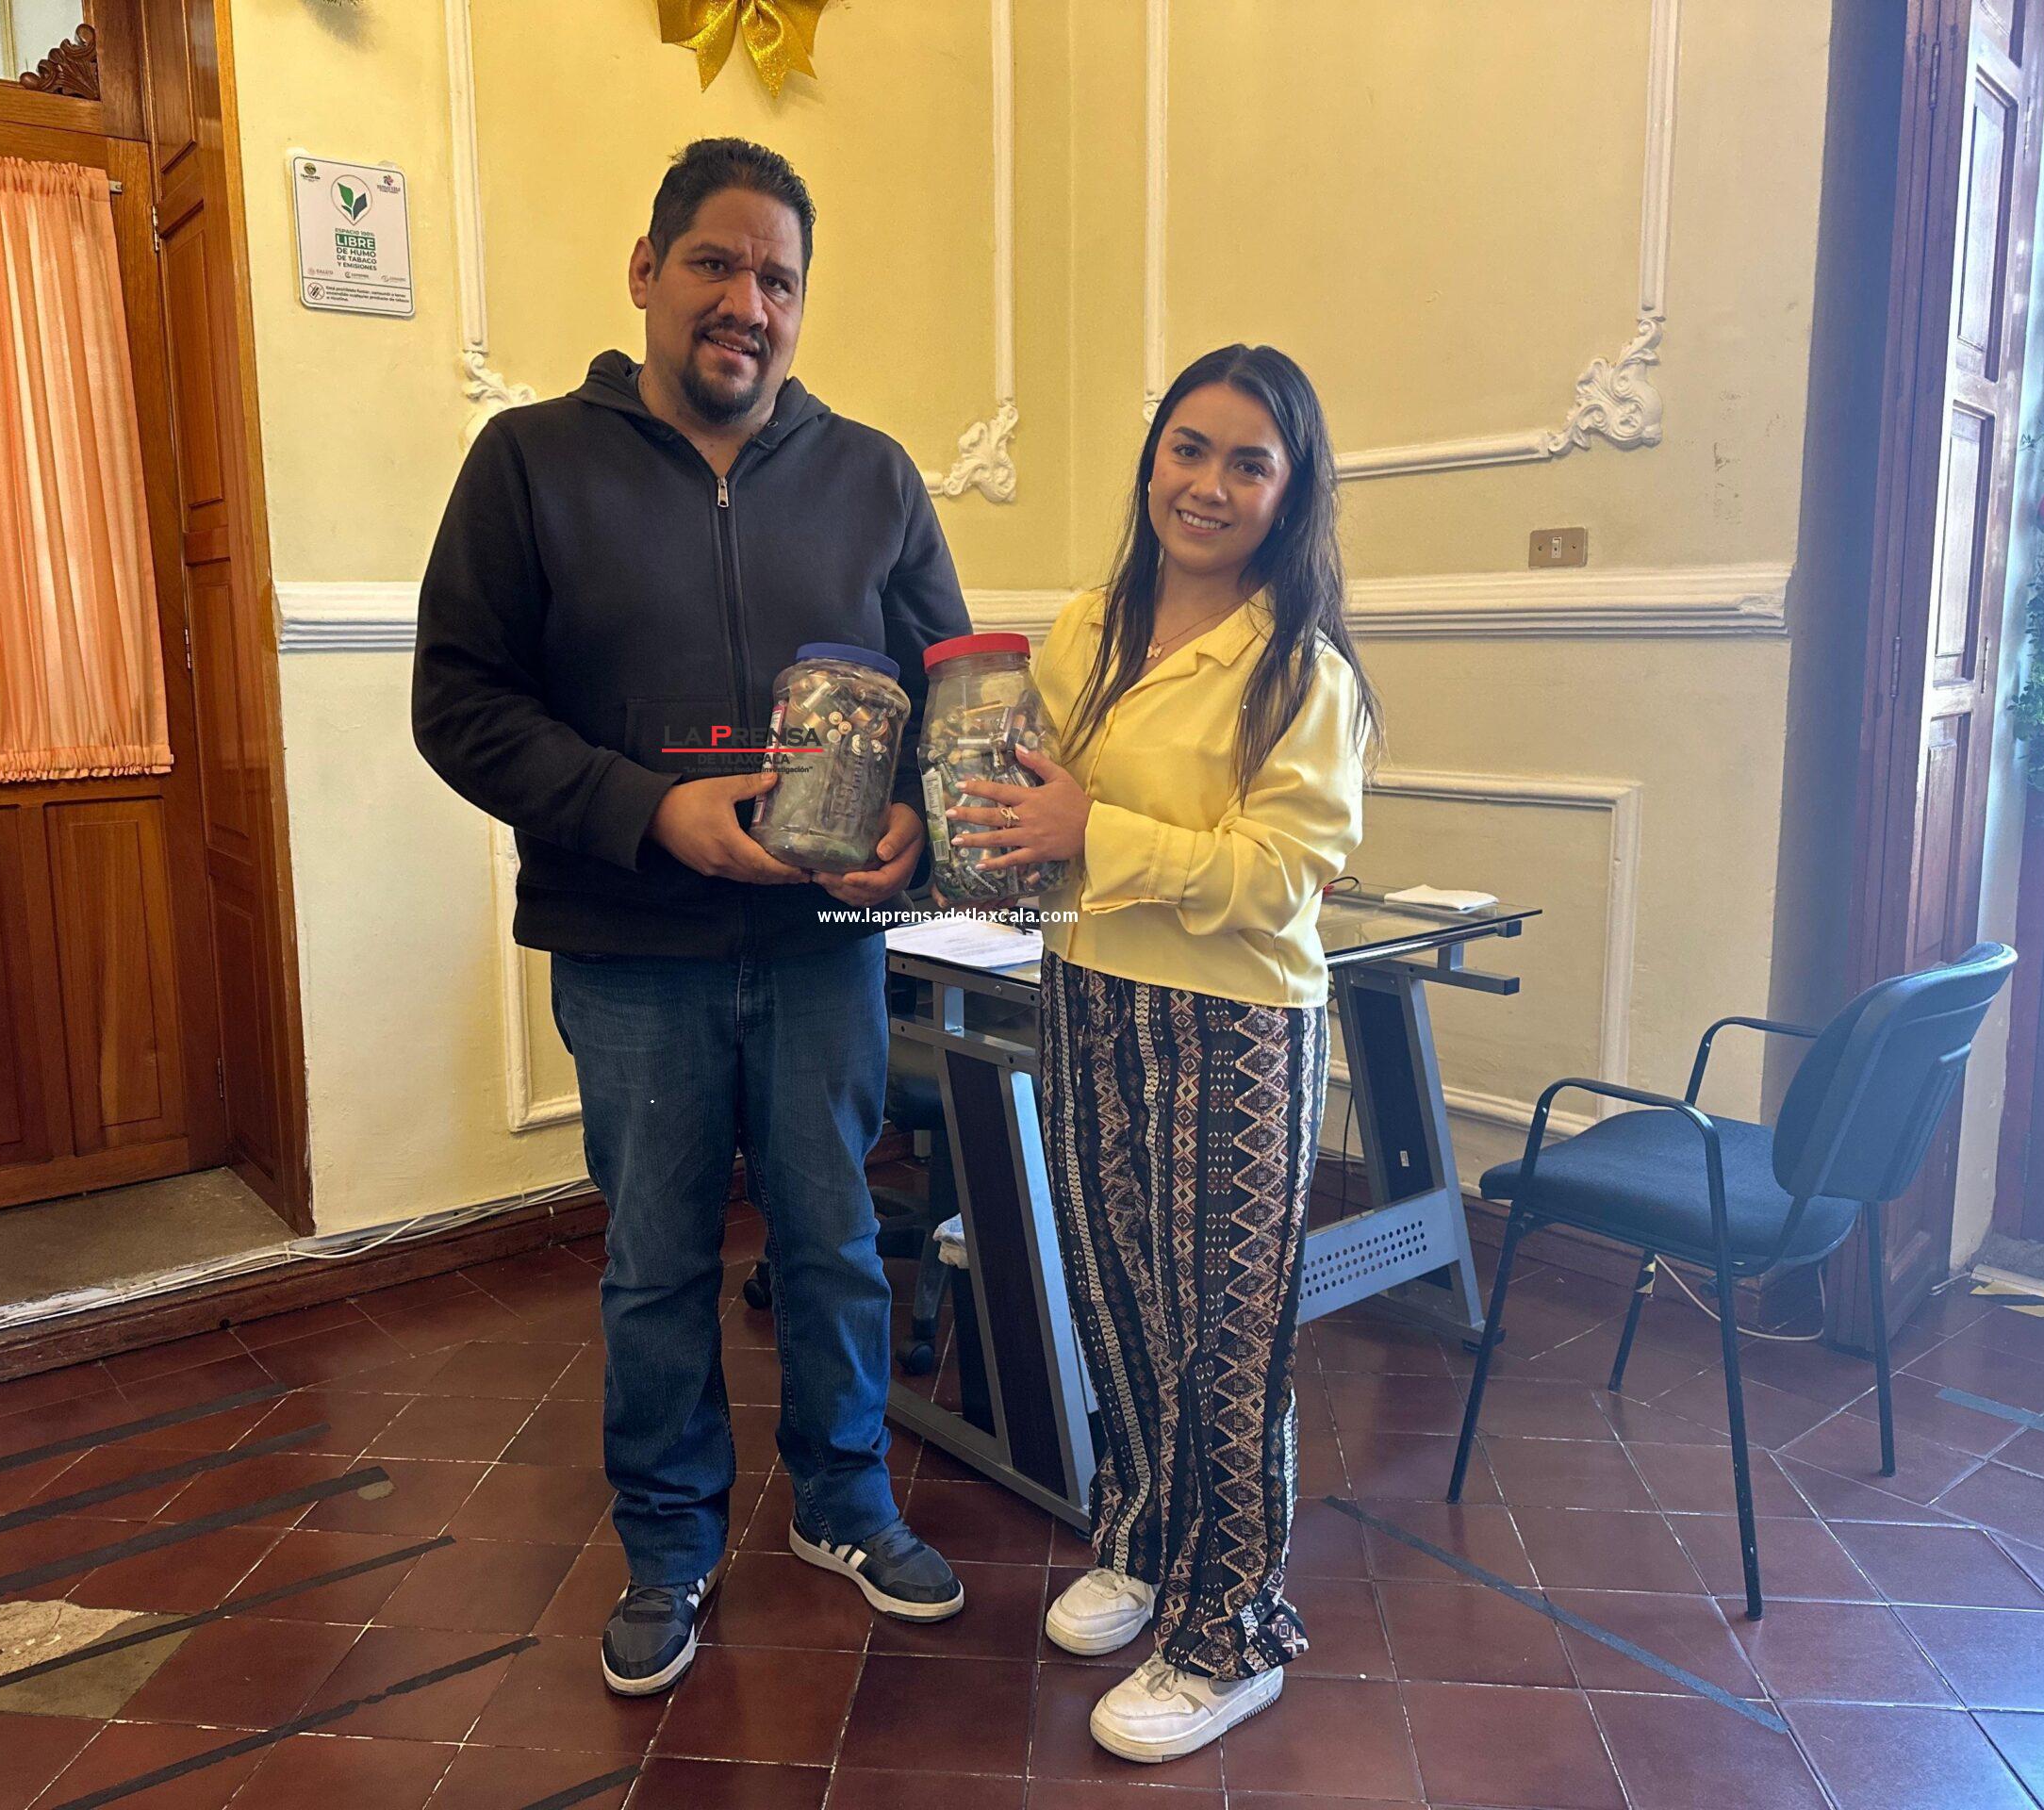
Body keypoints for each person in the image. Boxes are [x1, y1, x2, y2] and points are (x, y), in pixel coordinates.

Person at [413, 138, 970, 1700]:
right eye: (716, 264)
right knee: (656, 1257)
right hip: (630, 946)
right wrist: (650, 812)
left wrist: (916, 815)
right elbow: (460, 705)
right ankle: (667, 1540)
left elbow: (946, 695)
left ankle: (845, 1503)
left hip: (820, 952)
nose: (747, 302)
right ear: (647, 271)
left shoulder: (874, 477)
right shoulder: (528, 464)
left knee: (835, 1239)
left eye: (778, 278)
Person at [948, 344, 1374, 1762]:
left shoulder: (1303, 673)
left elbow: (1282, 878)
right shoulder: (1086, 629)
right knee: (1116, 1297)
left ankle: (1230, 1631)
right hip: (1089, 993)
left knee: (1225, 1342)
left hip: (1236, 1027)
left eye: (1249, 463)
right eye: (1189, 448)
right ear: (1152, 462)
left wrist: (1095, 832)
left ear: (1290, 493)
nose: (1208, 484)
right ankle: (1141, 1545)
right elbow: (1026, 796)